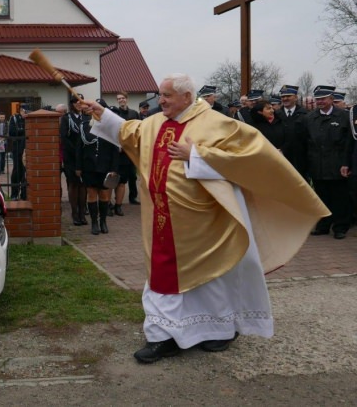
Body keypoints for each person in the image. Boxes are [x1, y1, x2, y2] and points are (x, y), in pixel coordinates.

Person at [80, 73, 327, 364]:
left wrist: (196, 154)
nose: (161, 101)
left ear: (187, 97)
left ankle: (219, 329)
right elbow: (133, 132)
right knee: (163, 277)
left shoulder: (215, 122)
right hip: (161, 219)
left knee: (212, 278)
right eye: (160, 95)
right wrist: (103, 114)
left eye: (167, 96)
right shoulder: (156, 122)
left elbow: (250, 158)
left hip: (206, 220)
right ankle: (163, 336)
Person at [306, 85, 354, 239]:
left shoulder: (344, 117)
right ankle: (323, 225)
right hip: (317, 164)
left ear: (332, 100)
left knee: (340, 198)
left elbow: (348, 143)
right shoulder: (310, 118)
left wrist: (346, 163)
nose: (320, 102)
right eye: (318, 99)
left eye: (323, 99)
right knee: (321, 198)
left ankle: (340, 227)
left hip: (337, 164)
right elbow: (306, 142)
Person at [75, 109, 119, 235]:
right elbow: (79, 148)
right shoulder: (85, 126)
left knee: (104, 195)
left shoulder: (109, 128)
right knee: (91, 194)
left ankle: (103, 222)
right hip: (89, 166)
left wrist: (114, 168)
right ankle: (94, 223)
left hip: (105, 166)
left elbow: (115, 150)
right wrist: (78, 167)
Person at [110, 91, 140, 215]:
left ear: (127, 99)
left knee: (130, 176)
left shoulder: (134, 113)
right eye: (118, 98)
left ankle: (128, 199)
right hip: (118, 151)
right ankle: (113, 202)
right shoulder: (115, 113)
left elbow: (138, 130)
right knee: (115, 178)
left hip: (130, 151)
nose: (121, 100)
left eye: (122, 98)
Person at [61, 94, 88, 225]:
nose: (78, 104)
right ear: (71, 104)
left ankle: (83, 213)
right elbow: (64, 138)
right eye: (75, 102)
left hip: (85, 156)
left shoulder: (87, 118)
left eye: (80, 101)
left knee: (83, 185)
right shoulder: (66, 118)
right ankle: (75, 214)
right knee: (73, 184)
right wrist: (76, 152)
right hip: (71, 157)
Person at [274, 84, 309, 180]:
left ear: (295, 97)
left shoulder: (305, 114)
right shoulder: (276, 114)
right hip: (281, 157)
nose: (285, 99)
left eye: (288, 96)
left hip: (300, 158)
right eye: (283, 97)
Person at [8, 102, 28, 200]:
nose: (26, 113)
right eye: (25, 111)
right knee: (17, 171)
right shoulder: (14, 118)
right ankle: (14, 194)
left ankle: (24, 194)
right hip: (17, 149)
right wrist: (23, 130)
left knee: (26, 173)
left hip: (28, 148)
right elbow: (12, 132)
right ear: (20, 111)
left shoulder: (30, 119)